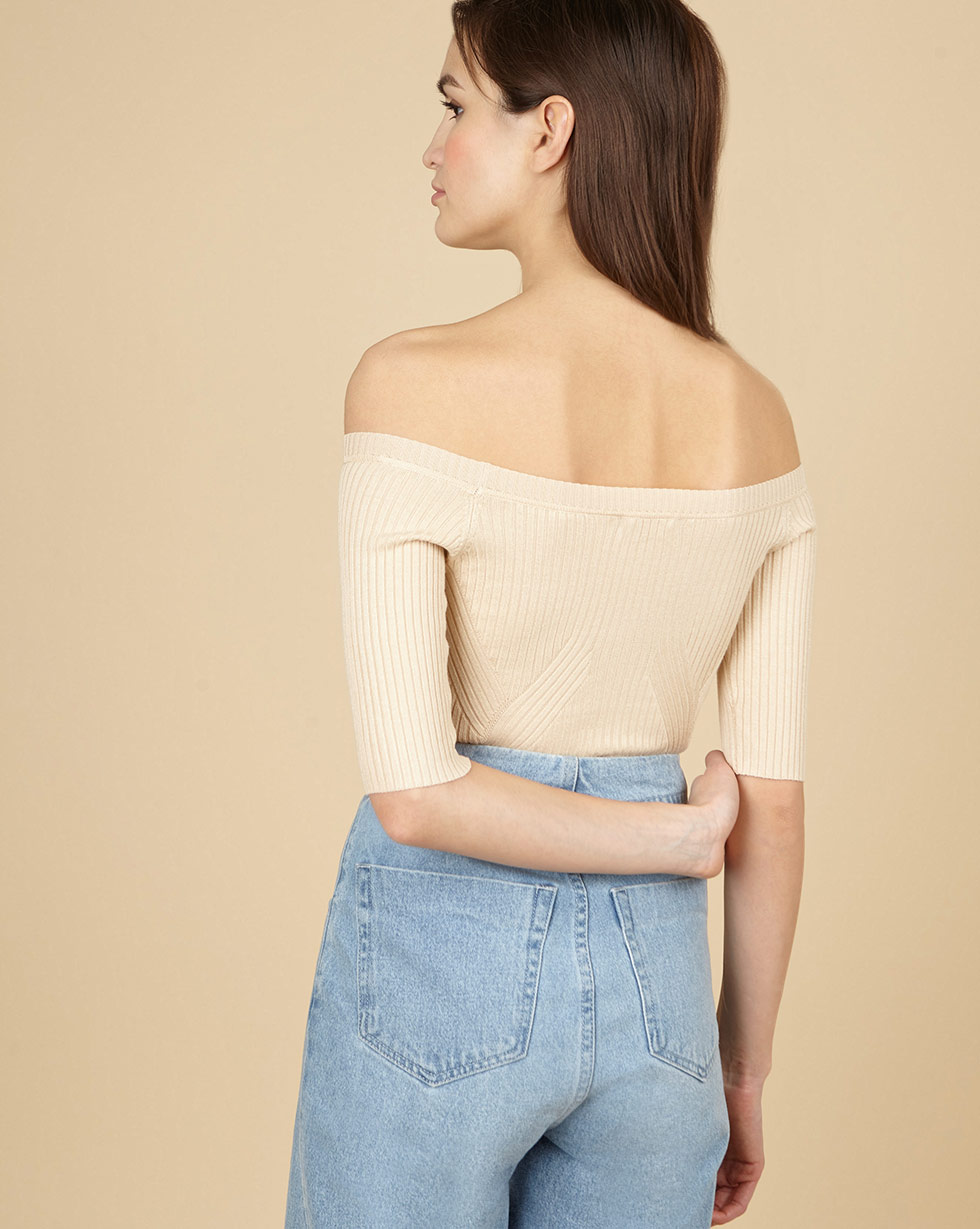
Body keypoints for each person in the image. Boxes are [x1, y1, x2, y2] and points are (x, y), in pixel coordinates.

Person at [285, 2, 816, 1225]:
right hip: (659, 1000)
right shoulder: (756, 415)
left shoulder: (408, 382)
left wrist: (678, 839)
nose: (432, 146)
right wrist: (737, 1072)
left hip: (439, 969)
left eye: (455, 105)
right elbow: (772, 800)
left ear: (549, 131)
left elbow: (417, 795)